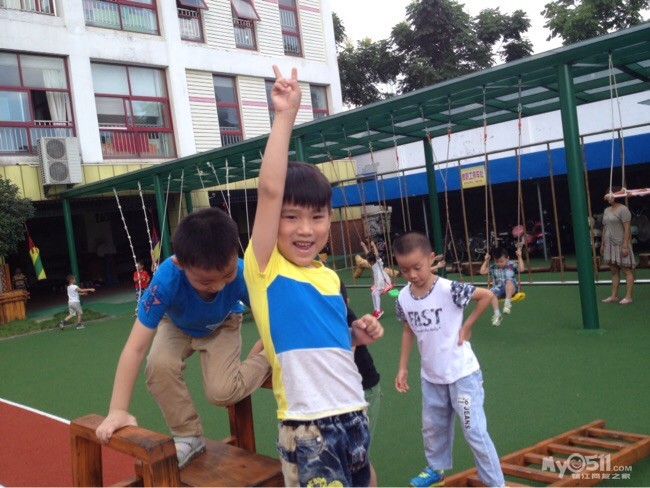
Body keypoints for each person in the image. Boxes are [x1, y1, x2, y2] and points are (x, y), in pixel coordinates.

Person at [243, 65, 384, 487]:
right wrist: (285, 115)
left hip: (353, 409)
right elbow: (270, 190)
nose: (306, 229)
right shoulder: (266, 267)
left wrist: (356, 334)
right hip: (308, 425)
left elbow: (332, 338)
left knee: (367, 480)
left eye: (317, 217)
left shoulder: (327, 278)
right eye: (291, 217)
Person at [95, 208, 270, 469]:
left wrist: (270, 346)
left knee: (222, 391)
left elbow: (269, 315)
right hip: (177, 325)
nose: (219, 286)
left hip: (222, 324)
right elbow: (135, 348)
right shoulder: (165, 281)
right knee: (158, 365)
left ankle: (268, 359)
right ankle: (188, 435)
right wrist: (118, 409)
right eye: (206, 281)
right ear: (180, 264)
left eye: (227, 275)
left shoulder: (242, 273)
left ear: (236, 253)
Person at [393, 231, 504, 488]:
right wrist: (402, 368)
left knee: (474, 430)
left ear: (431, 259)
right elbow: (408, 330)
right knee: (432, 428)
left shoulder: (449, 289)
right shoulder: (403, 298)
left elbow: (486, 296)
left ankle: (495, 482)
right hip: (431, 377)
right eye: (404, 270)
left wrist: (467, 326)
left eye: (417, 267)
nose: (412, 275)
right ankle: (436, 468)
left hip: (462, 375)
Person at [341, 282, 381, 487]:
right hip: (349, 392)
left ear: (346, 302)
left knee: (358, 455)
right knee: (349, 454)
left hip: (363, 389)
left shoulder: (345, 316)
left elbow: (348, 359)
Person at [601, 187, 636, 305]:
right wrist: (603, 244)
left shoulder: (623, 209)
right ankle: (614, 296)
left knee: (626, 270)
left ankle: (628, 297)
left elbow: (627, 229)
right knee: (614, 271)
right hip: (609, 244)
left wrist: (625, 246)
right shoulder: (606, 210)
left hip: (620, 243)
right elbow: (605, 228)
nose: (607, 197)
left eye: (609, 194)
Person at [479, 246, 524, 326]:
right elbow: (482, 271)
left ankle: (507, 303)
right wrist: (486, 260)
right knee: (490, 293)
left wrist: (519, 257)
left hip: (511, 288)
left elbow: (521, 269)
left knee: (508, 281)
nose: (499, 263)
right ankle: (497, 314)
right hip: (499, 288)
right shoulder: (493, 267)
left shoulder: (512, 265)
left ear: (507, 258)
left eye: (501, 261)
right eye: (497, 261)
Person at [360, 239, 393, 318]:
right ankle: (376, 310)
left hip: (382, 281)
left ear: (371, 260)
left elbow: (377, 255)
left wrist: (374, 245)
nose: (368, 261)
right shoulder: (372, 262)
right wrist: (364, 246)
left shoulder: (378, 262)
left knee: (376, 294)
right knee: (373, 294)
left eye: (368, 260)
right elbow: (368, 254)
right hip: (378, 281)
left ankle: (378, 311)